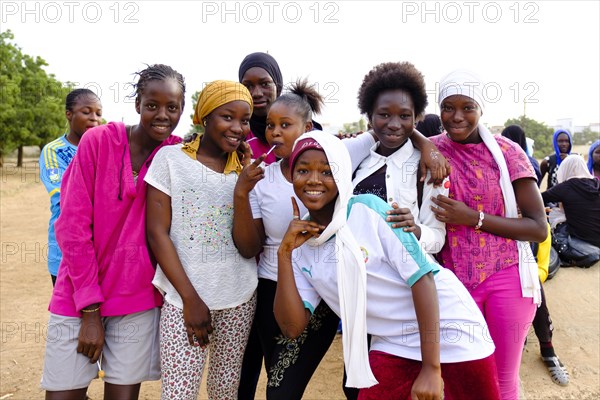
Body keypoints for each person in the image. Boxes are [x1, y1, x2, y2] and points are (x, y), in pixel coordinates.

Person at [274, 131, 500, 400]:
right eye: (303, 170)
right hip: (392, 341)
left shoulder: (367, 211)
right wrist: (284, 255)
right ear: (292, 176)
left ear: (343, 174)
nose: (314, 180)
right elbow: (292, 328)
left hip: (450, 328)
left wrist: (431, 368)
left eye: (327, 171)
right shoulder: (301, 245)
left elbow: (422, 279)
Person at [41, 64, 185, 399]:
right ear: (137, 105)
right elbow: (72, 227)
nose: (162, 115)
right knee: (63, 394)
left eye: (172, 107)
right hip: (77, 294)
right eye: (152, 105)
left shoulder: (177, 155)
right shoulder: (98, 141)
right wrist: (90, 311)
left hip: (136, 299)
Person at [233, 79, 375, 400]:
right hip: (287, 285)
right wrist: (242, 191)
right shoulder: (261, 179)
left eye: (285, 124)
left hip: (344, 281)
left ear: (307, 126)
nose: (275, 133)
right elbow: (250, 245)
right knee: (281, 386)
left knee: (356, 386)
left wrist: (429, 148)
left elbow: (383, 131)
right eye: (270, 125)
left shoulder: (337, 153)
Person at [429, 69, 547, 400]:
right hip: (452, 282)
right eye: (448, 107)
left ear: (481, 109)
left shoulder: (507, 153)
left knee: (501, 379)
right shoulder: (429, 150)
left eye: (467, 107)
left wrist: (473, 219)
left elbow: (538, 228)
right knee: (458, 377)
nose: (457, 116)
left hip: (506, 278)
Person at [145, 80, 257, 399]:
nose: (237, 127)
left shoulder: (244, 171)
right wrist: (191, 299)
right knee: (179, 392)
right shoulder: (171, 159)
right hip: (184, 300)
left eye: (244, 120)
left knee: (225, 390)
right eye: (227, 117)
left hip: (239, 296)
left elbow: (248, 248)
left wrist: (242, 192)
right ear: (205, 117)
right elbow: (157, 232)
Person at [39, 88, 102, 286]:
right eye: (86, 112)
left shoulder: (104, 149)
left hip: (101, 250)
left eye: (98, 113)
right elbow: (63, 199)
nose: (94, 118)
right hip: (65, 253)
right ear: (69, 114)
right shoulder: (54, 151)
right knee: (70, 314)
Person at [542, 154, 600, 268]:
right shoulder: (596, 184)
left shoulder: (566, 187)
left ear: (566, 168)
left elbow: (539, 198)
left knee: (556, 219)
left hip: (583, 240)